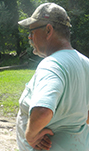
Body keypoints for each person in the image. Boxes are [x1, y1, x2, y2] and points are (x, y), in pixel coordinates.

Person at [16, 3, 89, 151]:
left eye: (32, 31)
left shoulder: (51, 64)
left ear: (48, 30)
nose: (30, 37)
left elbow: (43, 111)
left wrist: (30, 136)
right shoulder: (85, 62)